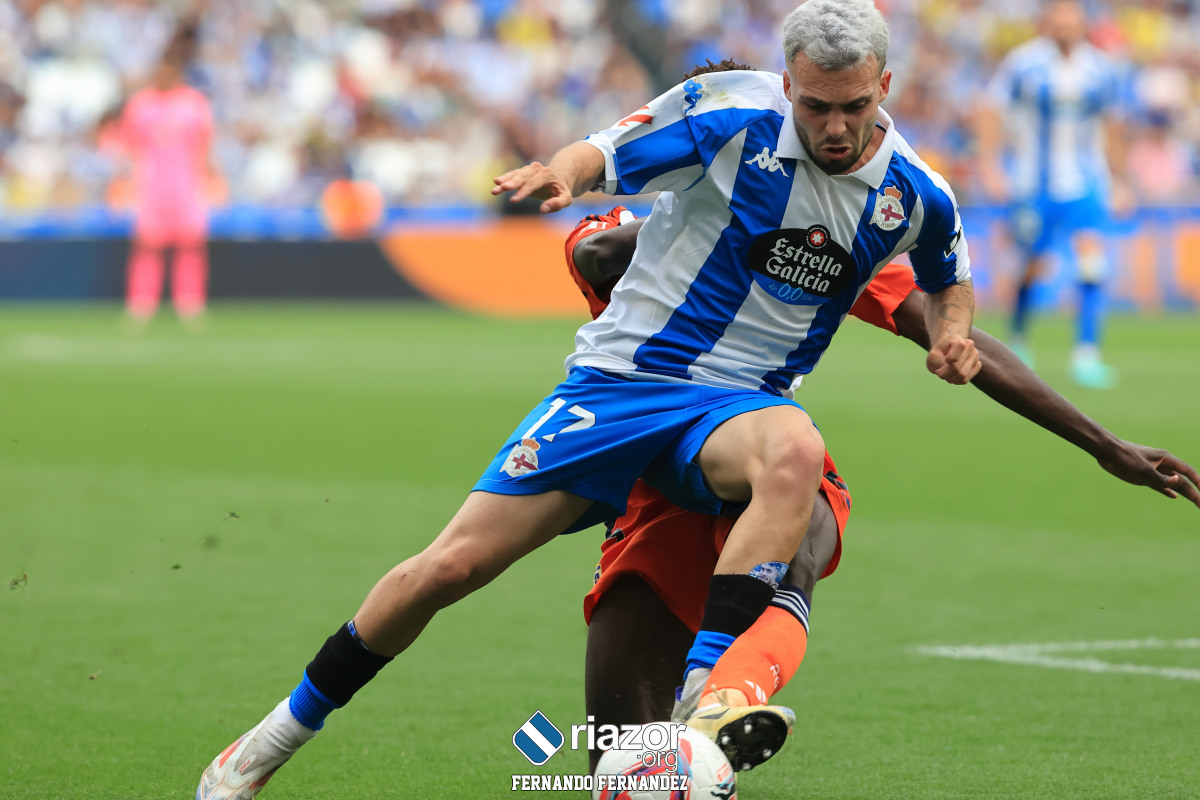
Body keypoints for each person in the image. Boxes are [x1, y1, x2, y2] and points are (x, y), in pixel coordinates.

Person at [197, 2, 980, 796]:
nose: (836, 126)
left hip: (738, 408)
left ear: (884, 86)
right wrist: (563, 175)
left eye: (854, 106)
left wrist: (952, 335)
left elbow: (950, 280)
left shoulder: (916, 193)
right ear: (788, 85)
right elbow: (606, 149)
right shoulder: (730, 114)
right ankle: (269, 741)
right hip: (621, 384)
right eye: (815, 106)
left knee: (797, 450)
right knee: (449, 567)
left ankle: (703, 700)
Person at [565, 204, 1200, 772]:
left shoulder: (819, 229)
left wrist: (1104, 444)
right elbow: (596, 255)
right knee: (620, 764)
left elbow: (953, 334)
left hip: (760, 449)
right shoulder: (639, 220)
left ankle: (725, 695)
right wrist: (728, 204)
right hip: (658, 478)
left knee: (807, 521)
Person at [977, 0, 1131, 389]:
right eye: (1059, 18)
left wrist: (1119, 180)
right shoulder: (1023, 64)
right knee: (1031, 265)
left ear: (1082, 24)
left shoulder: (1100, 68)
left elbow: (1114, 124)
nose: (1066, 25)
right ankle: (1018, 339)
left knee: (1092, 264)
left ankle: (1087, 353)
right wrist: (990, 165)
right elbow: (990, 110)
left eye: (1073, 18)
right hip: (1033, 184)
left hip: (1085, 181)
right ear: (1048, 22)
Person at [120, 26, 215, 331]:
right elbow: (129, 148)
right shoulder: (141, 105)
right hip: (150, 186)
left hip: (186, 185)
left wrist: (209, 181)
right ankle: (141, 303)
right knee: (147, 246)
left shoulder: (194, 104)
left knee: (190, 245)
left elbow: (205, 147)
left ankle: (190, 303)